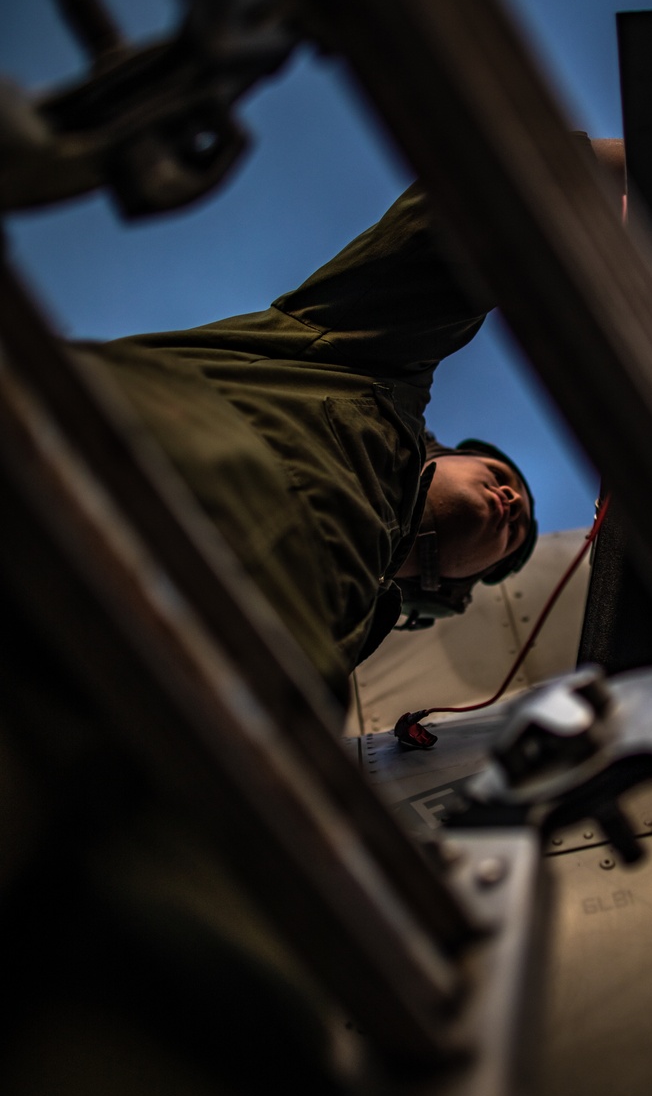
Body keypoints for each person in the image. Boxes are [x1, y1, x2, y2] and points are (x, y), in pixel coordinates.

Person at [76, 137, 623, 704]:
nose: (511, 502)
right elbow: (489, 194)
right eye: (501, 477)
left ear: (452, 591)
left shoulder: (346, 639)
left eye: (514, 534)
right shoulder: (360, 366)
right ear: (443, 453)